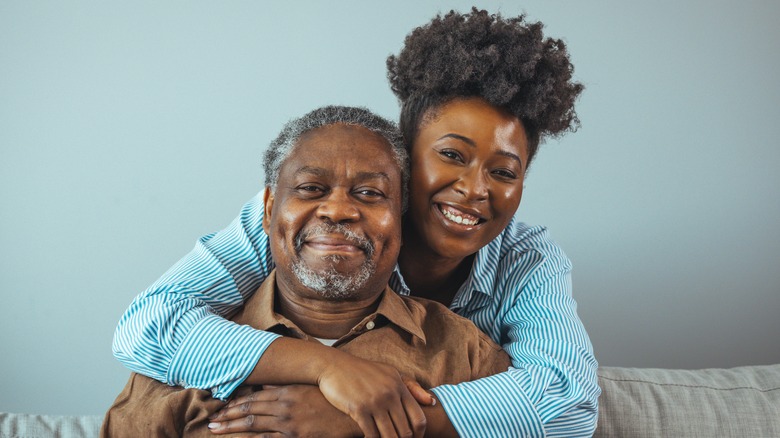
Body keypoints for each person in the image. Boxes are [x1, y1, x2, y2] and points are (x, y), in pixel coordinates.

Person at [112, 8, 600, 437]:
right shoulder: (305, 225)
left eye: (503, 172)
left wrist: (359, 418)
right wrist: (328, 369)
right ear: (403, 159)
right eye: (452, 155)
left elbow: (571, 403)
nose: (475, 188)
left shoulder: (525, 261)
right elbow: (149, 326)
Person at [102, 105, 512, 437]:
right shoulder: (174, 366)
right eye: (311, 189)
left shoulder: (466, 356)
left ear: (400, 221)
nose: (338, 210)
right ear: (267, 211)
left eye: (370, 193)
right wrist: (326, 367)